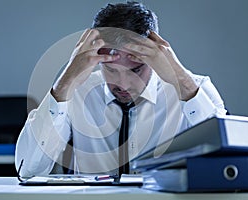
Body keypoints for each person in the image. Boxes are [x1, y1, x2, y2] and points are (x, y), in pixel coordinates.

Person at [15, 1, 227, 177]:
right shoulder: (75, 92)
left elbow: (227, 166)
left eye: (136, 70)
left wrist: (183, 82)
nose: (123, 85)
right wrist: (64, 84)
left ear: (157, 54)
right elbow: (28, 170)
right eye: (110, 69)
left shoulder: (195, 90)